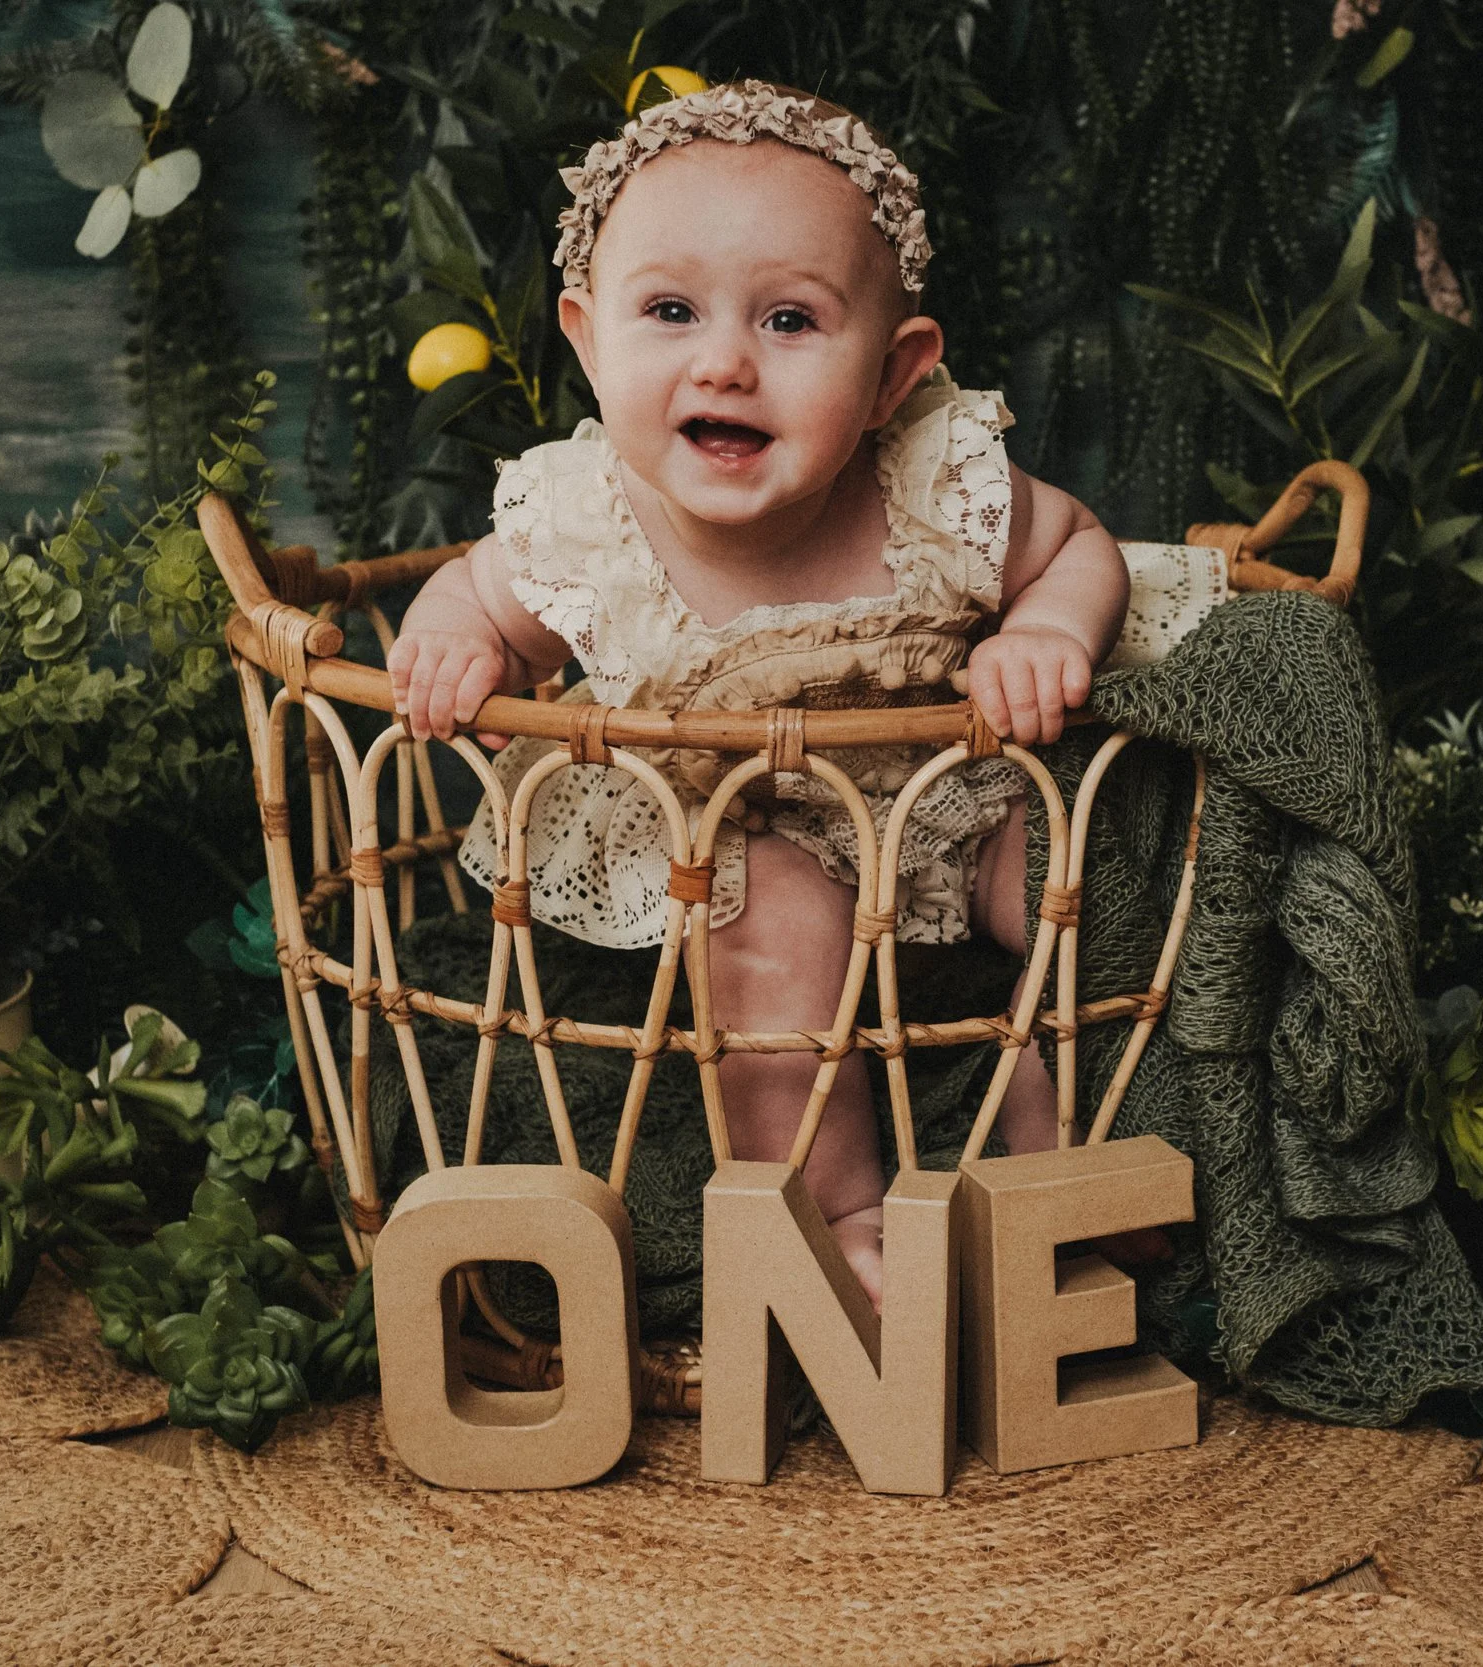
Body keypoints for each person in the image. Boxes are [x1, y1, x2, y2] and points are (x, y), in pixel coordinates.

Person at [388, 81, 1130, 1309]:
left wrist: (1047, 627)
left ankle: (1065, 1157)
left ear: (892, 375)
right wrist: (455, 642)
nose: (725, 361)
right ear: (587, 339)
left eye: (790, 319)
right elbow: (474, 596)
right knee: (769, 921)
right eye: (669, 311)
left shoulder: (935, 488)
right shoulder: (588, 521)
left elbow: (1077, 542)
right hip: (716, 840)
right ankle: (831, 1211)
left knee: (1071, 873)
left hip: (938, 807)